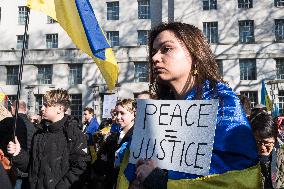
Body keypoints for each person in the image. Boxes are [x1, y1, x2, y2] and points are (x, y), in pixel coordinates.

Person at [117, 22, 259, 189]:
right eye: (153, 52)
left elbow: (241, 175)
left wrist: (160, 181)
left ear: (194, 54)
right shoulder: (157, 111)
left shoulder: (222, 103)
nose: (155, 58)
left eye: (166, 49)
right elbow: (134, 160)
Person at [7, 89, 90, 189]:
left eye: (46, 105)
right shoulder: (39, 133)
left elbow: (80, 168)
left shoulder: (73, 134)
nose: (42, 108)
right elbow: (31, 167)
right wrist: (18, 154)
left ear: (59, 108)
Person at [251, 112, 277, 189]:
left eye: (267, 143)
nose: (262, 147)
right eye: (257, 142)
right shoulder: (244, 160)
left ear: (275, 138)